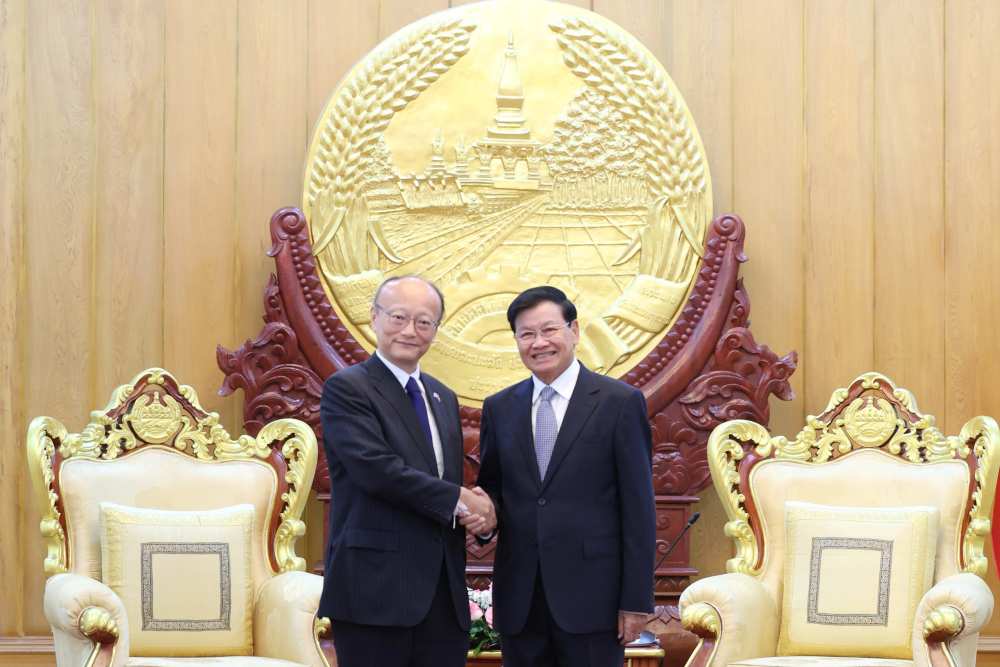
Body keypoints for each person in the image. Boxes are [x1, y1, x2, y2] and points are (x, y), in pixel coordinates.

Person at [471, 285, 656, 667]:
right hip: (520, 601)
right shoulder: (499, 408)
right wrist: (483, 517)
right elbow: (494, 491)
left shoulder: (619, 403)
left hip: (594, 602)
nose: (538, 343)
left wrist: (636, 601)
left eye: (549, 330)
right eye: (526, 334)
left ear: (573, 330)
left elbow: (639, 509)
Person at [318, 275, 494, 667]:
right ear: (374, 318)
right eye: (398, 317)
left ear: (436, 330)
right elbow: (376, 470)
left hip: (441, 598)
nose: (410, 331)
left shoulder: (442, 397)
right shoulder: (347, 389)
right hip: (374, 592)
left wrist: (481, 515)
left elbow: (443, 482)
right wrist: (458, 500)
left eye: (424, 322)